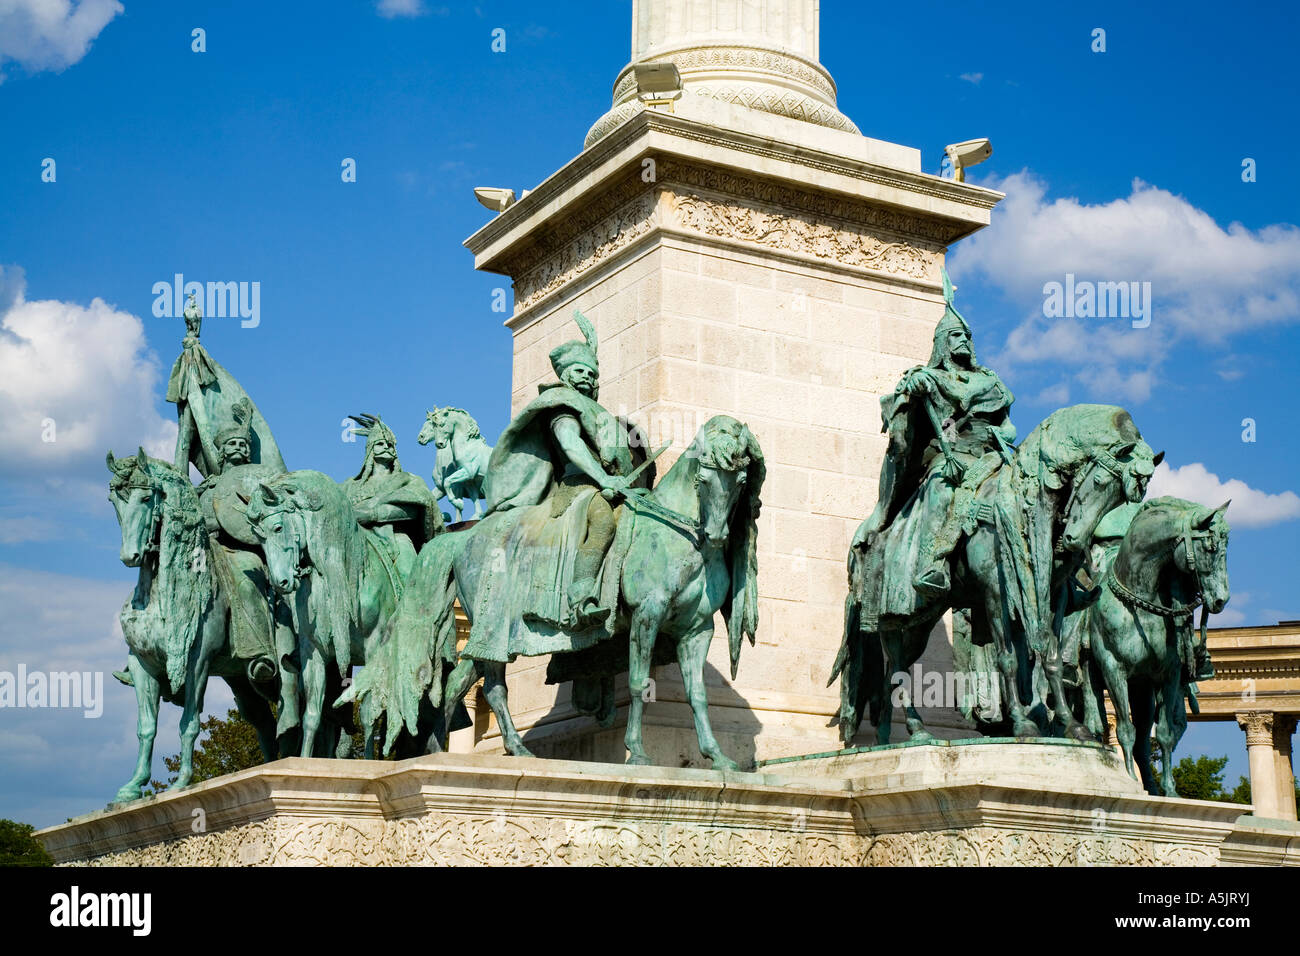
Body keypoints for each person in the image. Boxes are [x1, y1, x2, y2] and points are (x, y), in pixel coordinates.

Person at [851, 270, 1016, 624]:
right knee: (942, 492)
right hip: (950, 457)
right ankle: (934, 563)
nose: (963, 341)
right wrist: (911, 388)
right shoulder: (931, 378)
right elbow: (905, 417)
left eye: (967, 336)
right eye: (955, 335)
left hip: (990, 458)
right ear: (942, 343)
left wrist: (1004, 437)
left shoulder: (990, 381)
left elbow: (1006, 424)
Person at [342, 414, 442, 581]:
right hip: (356, 540)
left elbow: (415, 507)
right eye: (380, 444)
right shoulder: (349, 485)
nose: (387, 447)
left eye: (390, 444)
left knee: (408, 573)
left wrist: (371, 515)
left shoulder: (409, 480)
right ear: (370, 450)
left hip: (396, 538)